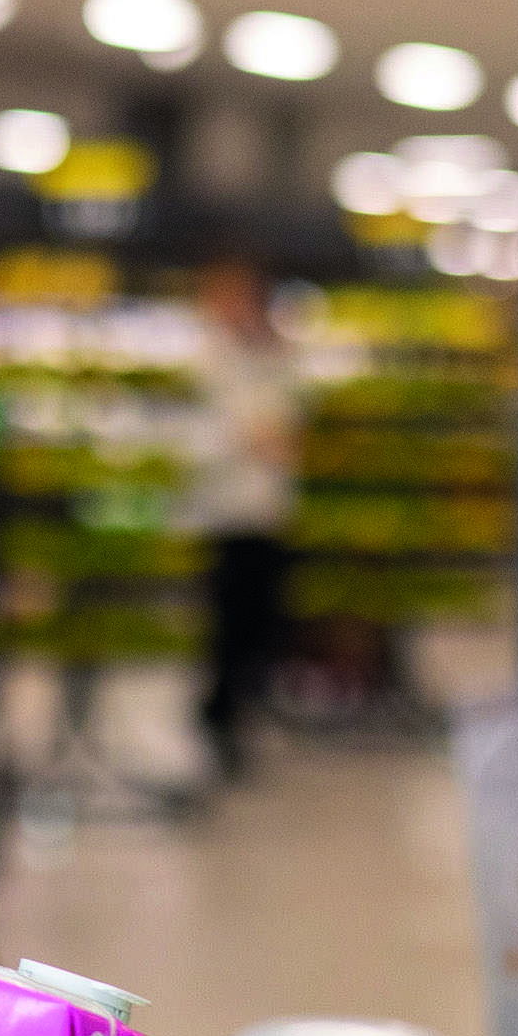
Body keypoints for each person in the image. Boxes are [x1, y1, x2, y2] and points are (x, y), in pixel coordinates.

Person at [176, 259, 301, 777]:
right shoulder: (204, 359)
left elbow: (289, 418)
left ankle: (236, 717)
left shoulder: (270, 356)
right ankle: (216, 720)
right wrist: (247, 438)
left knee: (256, 626)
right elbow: (193, 439)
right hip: (221, 515)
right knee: (225, 629)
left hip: (265, 513)